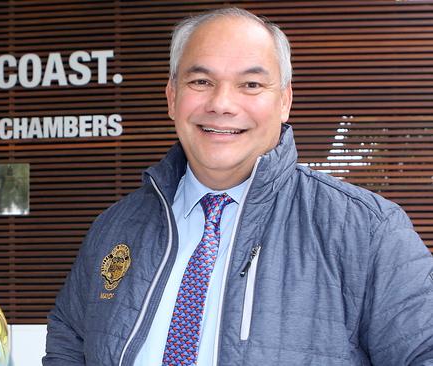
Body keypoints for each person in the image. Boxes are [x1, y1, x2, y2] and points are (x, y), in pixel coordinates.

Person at [43, 7, 433, 366]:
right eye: (201, 80)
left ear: (284, 101)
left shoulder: (366, 231)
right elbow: (68, 344)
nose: (222, 103)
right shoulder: (114, 228)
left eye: (250, 84)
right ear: (172, 97)